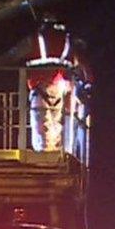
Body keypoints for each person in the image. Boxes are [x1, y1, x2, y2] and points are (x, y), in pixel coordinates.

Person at [26, 16, 74, 151]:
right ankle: (55, 155)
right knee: (56, 127)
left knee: (42, 127)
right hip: (59, 87)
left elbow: (15, 53)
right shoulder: (66, 40)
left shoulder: (37, 39)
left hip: (41, 87)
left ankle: (44, 157)